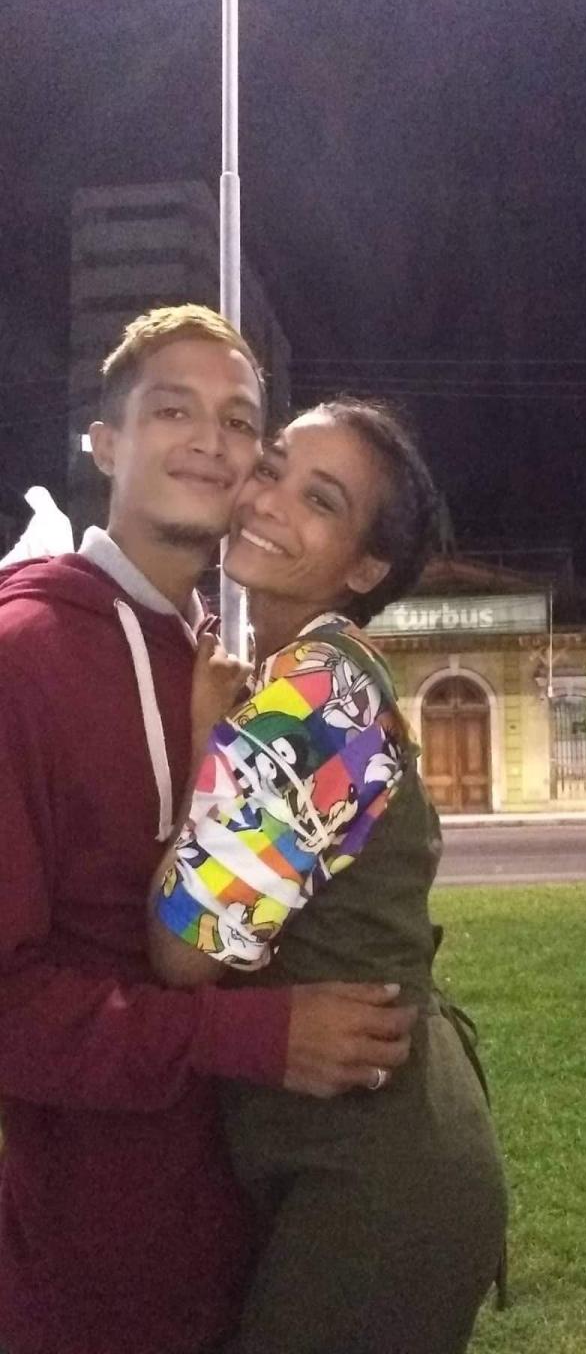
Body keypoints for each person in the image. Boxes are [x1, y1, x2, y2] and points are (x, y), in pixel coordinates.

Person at [0, 307, 416, 1354]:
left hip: (276, 1206)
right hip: (96, 1268)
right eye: (172, 410)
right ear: (105, 442)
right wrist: (256, 1037)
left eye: (239, 423)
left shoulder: (242, 674)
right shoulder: (23, 655)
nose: (213, 443)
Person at [148, 398, 509, 1354]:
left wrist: (202, 737)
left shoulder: (314, 695)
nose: (270, 500)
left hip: (377, 1181)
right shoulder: (307, 674)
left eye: (322, 500)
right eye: (272, 469)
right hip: (371, 1144)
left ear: (364, 568)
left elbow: (184, 956)